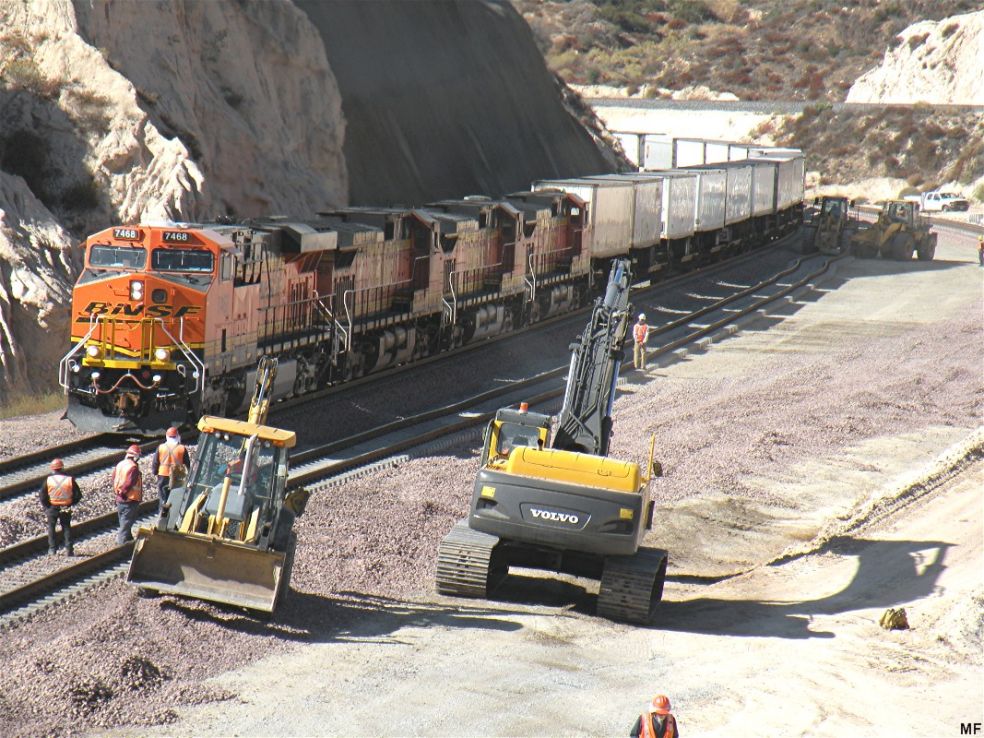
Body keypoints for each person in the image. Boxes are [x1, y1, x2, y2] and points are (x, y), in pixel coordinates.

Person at [40, 458, 82, 556]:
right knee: (66, 527)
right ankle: (69, 550)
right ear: (62, 468)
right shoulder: (69, 479)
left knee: (51, 528)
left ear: (52, 469)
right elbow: (78, 495)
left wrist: (47, 506)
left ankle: (52, 549)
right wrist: (70, 503)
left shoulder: (48, 480)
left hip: (52, 507)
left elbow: (42, 495)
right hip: (65, 507)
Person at [113, 444, 143, 545]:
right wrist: (123, 492)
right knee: (126, 523)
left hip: (119, 498)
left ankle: (129, 540)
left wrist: (118, 492)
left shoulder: (120, 464)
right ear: (136, 456)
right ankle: (121, 543)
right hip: (129, 499)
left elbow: (114, 478)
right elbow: (130, 482)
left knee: (124, 521)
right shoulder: (133, 468)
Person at [155, 426, 189, 514]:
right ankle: (171, 514)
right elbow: (187, 464)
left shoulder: (161, 447)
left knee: (163, 496)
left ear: (167, 436)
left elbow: (155, 462)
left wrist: (155, 472)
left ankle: (162, 514)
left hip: (162, 475)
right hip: (176, 476)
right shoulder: (182, 448)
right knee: (174, 496)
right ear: (177, 436)